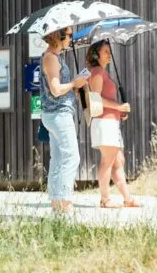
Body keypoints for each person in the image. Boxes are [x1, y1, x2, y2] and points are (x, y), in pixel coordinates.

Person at [86, 40, 141, 208]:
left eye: (109, 51)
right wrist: (118, 106)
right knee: (108, 161)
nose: (109, 54)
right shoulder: (96, 72)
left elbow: (106, 99)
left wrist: (119, 112)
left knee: (118, 161)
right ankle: (105, 199)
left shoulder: (103, 72)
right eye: (106, 51)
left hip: (111, 122)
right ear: (96, 55)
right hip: (104, 123)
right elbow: (95, 99)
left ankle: (128, 199)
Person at [40, 27, 88, 214]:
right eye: (69, 35)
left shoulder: (56, 57)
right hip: (58, 114)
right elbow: (56, 90)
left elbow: (62, 88)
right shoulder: (51, 57)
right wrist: (74, 84)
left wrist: (75, 86)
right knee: (71, 157)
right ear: (57, 36)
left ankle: (57, 206)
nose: (71, 38)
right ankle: (65, 203)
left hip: (57, 113)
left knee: (58, 158)